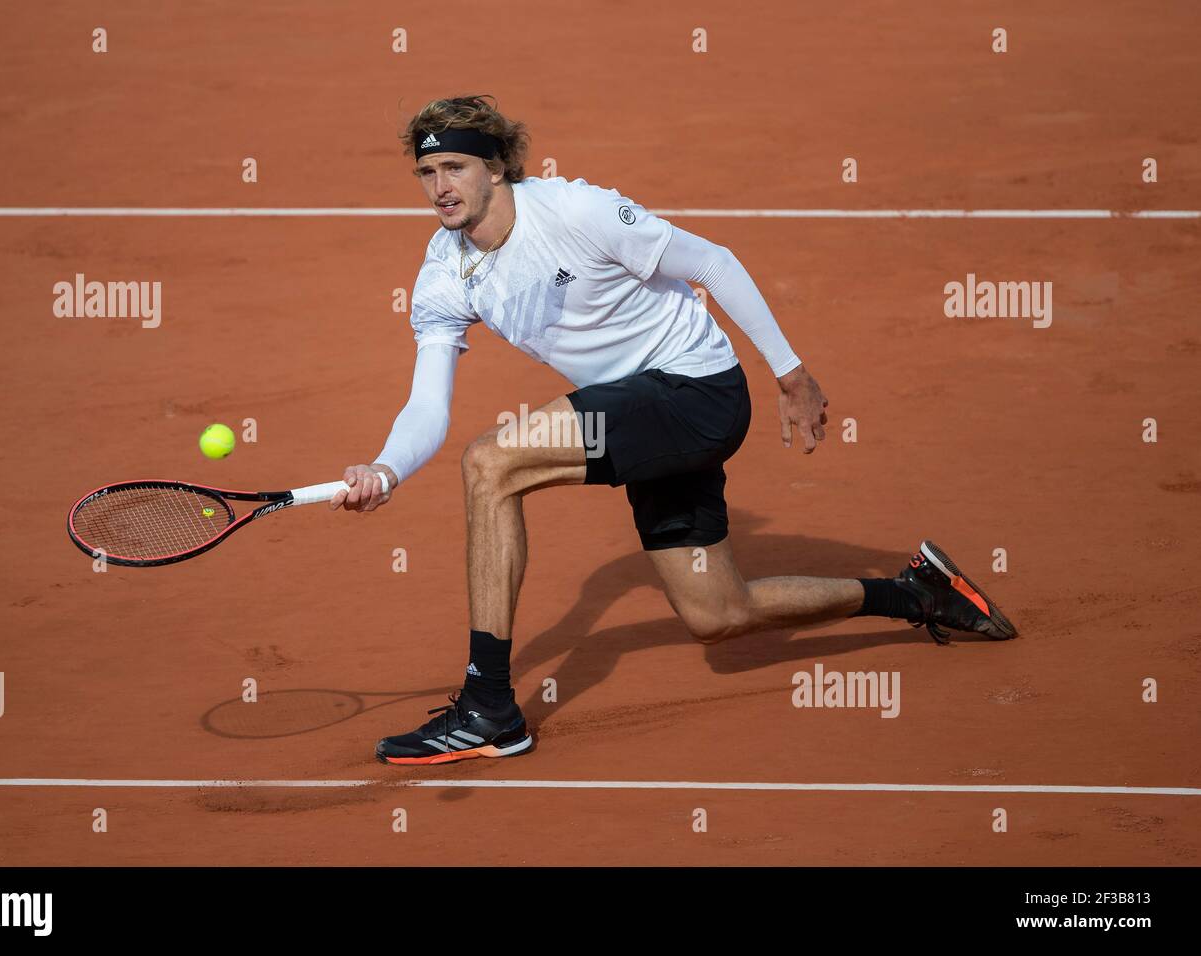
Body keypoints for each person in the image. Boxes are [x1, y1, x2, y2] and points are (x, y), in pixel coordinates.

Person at [330, 95, 1016, 765]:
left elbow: (711, 261)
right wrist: (386, 468)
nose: (440, 187)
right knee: (719, 614)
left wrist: (790, 375)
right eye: (427, 172)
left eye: (455, 167)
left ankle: (488, 706)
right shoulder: (445, 271)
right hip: (639, 412)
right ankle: (918, 593)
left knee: (490, 465)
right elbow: (427, 405)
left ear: (498, 167)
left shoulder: (576, 210)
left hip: (696, 392)